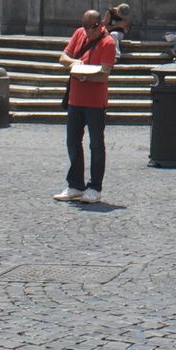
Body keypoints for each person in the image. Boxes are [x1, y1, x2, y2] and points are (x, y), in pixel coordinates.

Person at [54, 10, 119, 204]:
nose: (87, 32)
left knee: (96, 145)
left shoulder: (108, 43)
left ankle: (95, 187)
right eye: (84, 27)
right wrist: (75, 62)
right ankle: (75, 185)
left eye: (90, 28)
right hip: (75, 99)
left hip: (95, 102)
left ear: (99, 25)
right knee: (72, 142)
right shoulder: (79, 34)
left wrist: (83, 75)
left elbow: (104, 75)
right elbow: (62, 58)